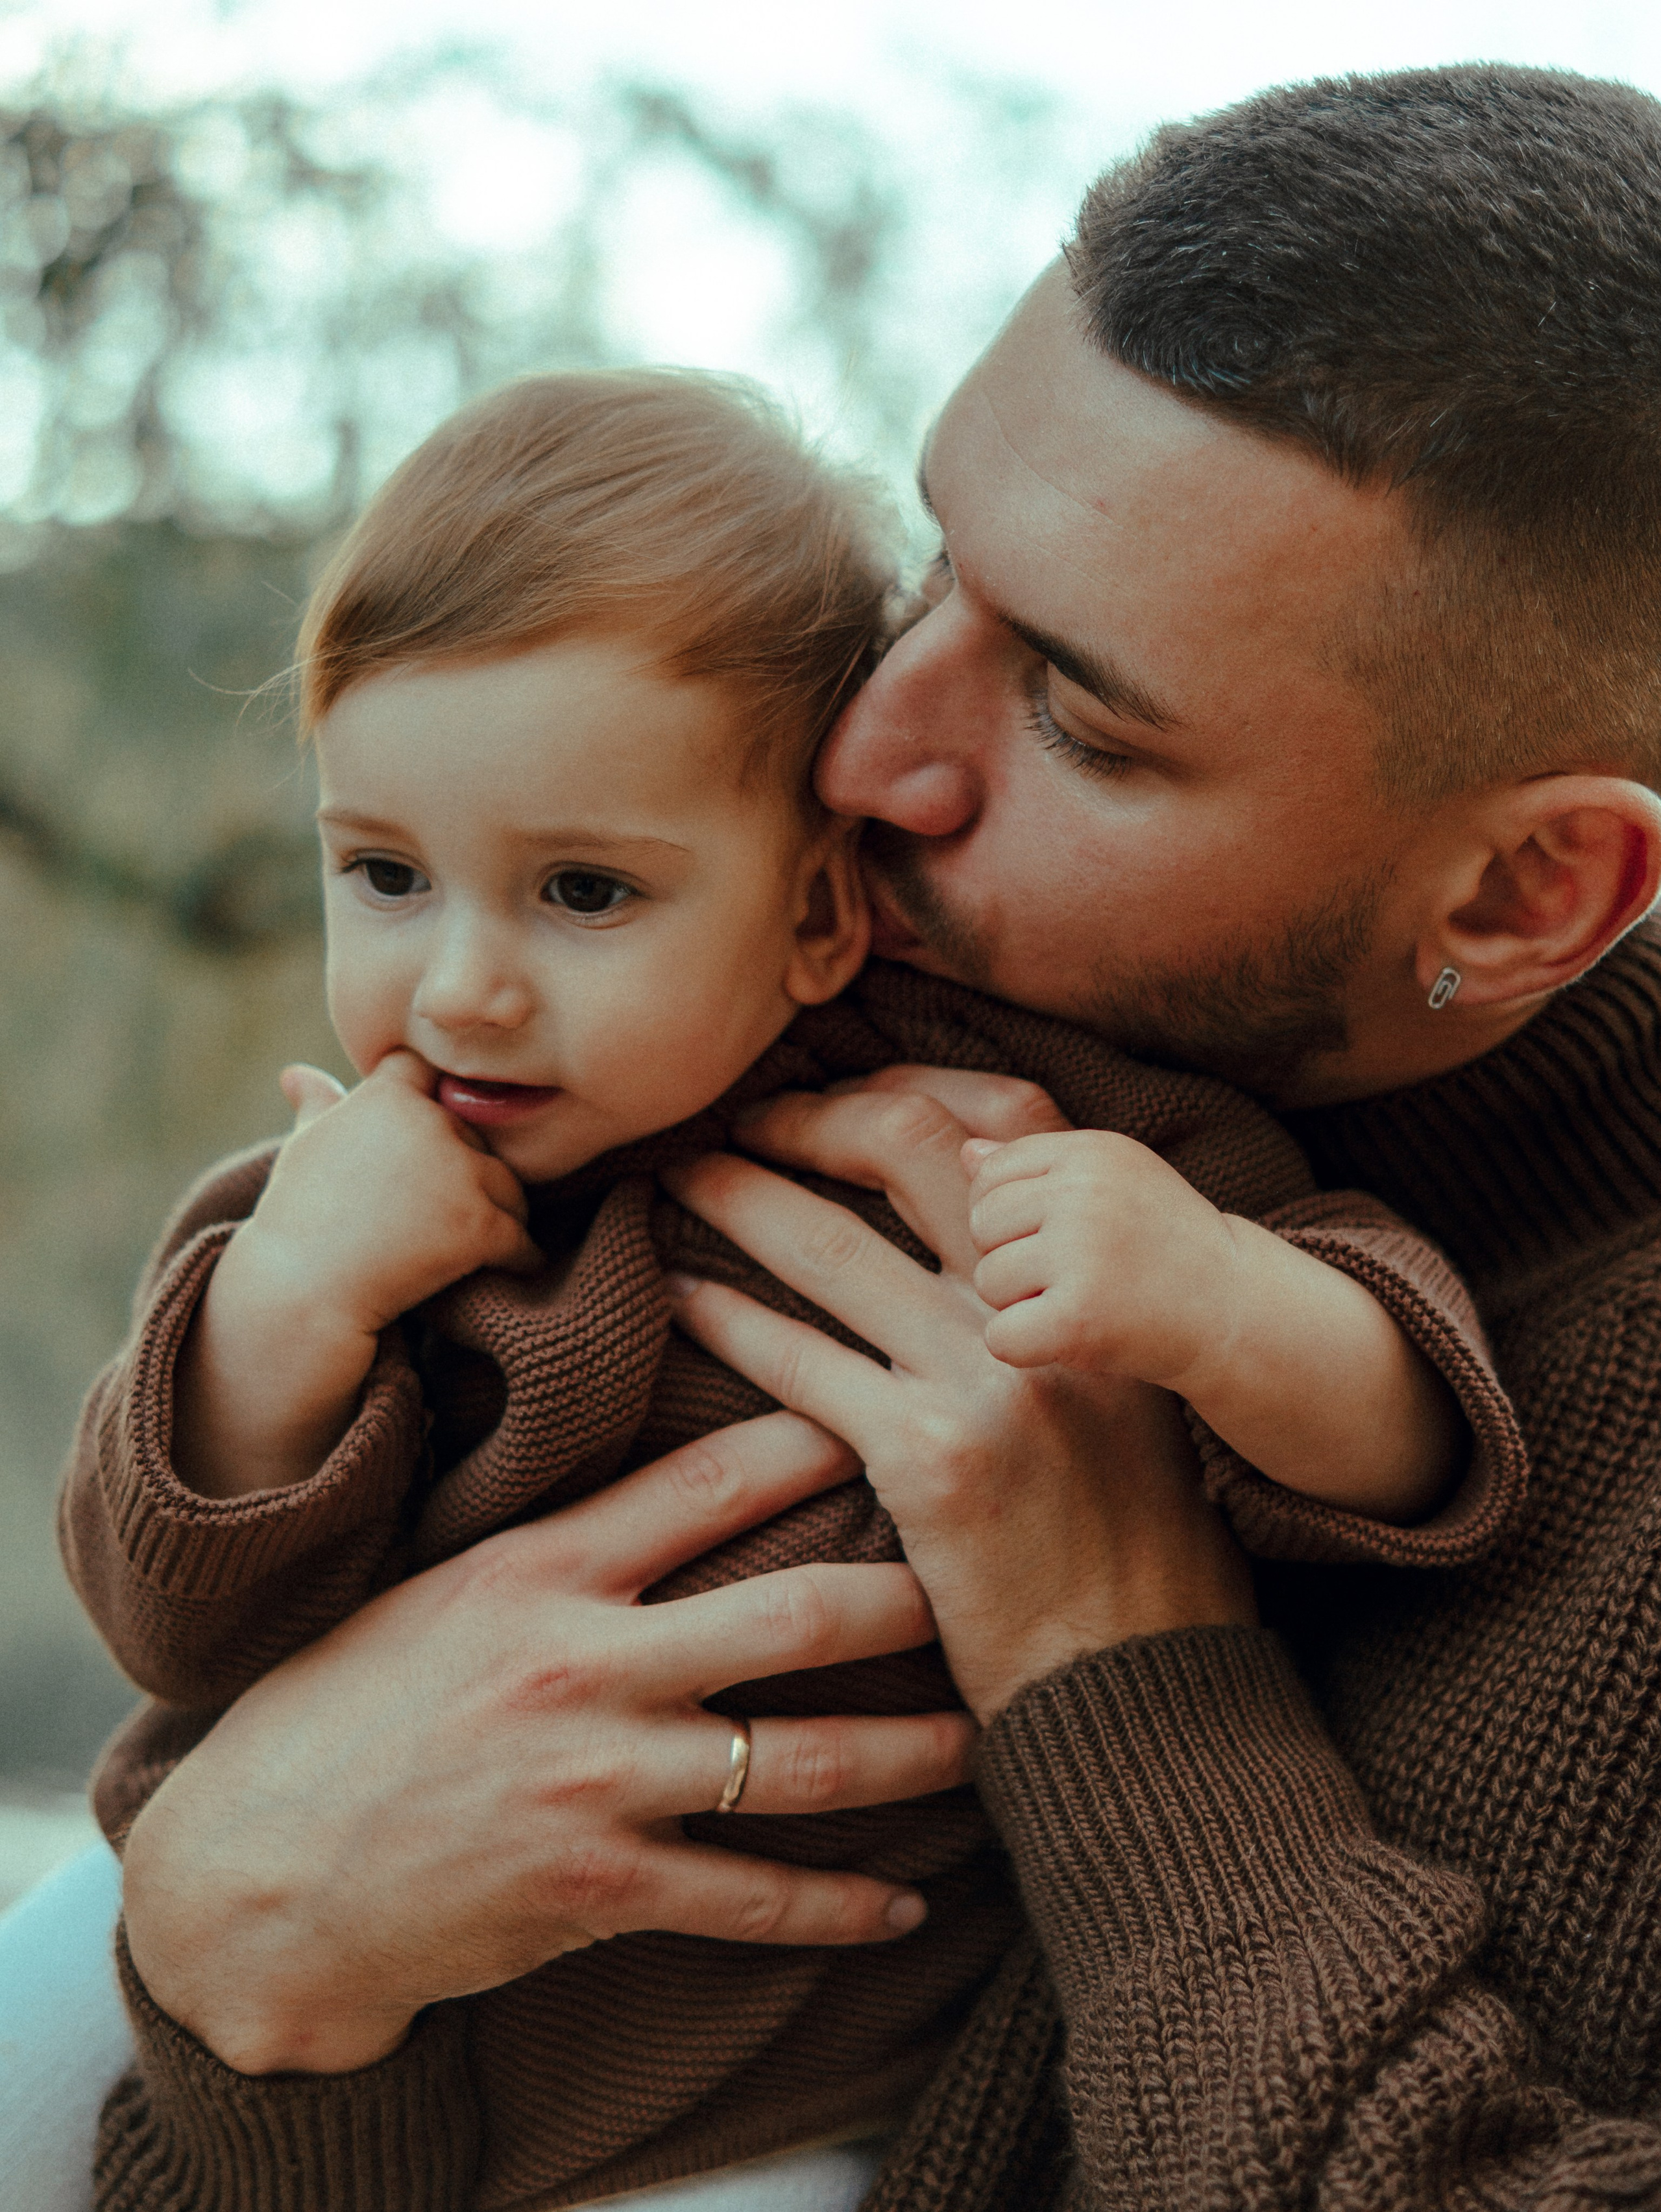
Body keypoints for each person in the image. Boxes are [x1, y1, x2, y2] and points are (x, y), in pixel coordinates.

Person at [48, 56, 1661, 2211]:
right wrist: (244, 1909)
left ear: (1525, 891)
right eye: (930, 578)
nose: (868, 752)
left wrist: (1120, 1667)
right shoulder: (745, 1049)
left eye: (1078, 709)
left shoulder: (1190, 1194)